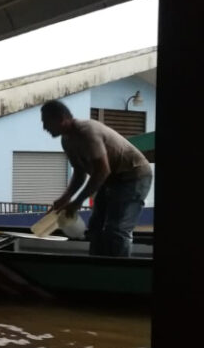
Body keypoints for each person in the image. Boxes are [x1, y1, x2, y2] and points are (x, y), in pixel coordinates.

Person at [40, 99, 152, 257]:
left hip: (133, 176)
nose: (44, 128)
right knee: (95, 227)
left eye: (46, 122)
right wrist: (64, 199)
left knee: (117, 230)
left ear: (61, 119)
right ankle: (97, 265)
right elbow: (79, 173)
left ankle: (119, 273)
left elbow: (102, 171)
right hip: (111, 180)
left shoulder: (87, 132)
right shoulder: (67, 140)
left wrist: (77, 202)